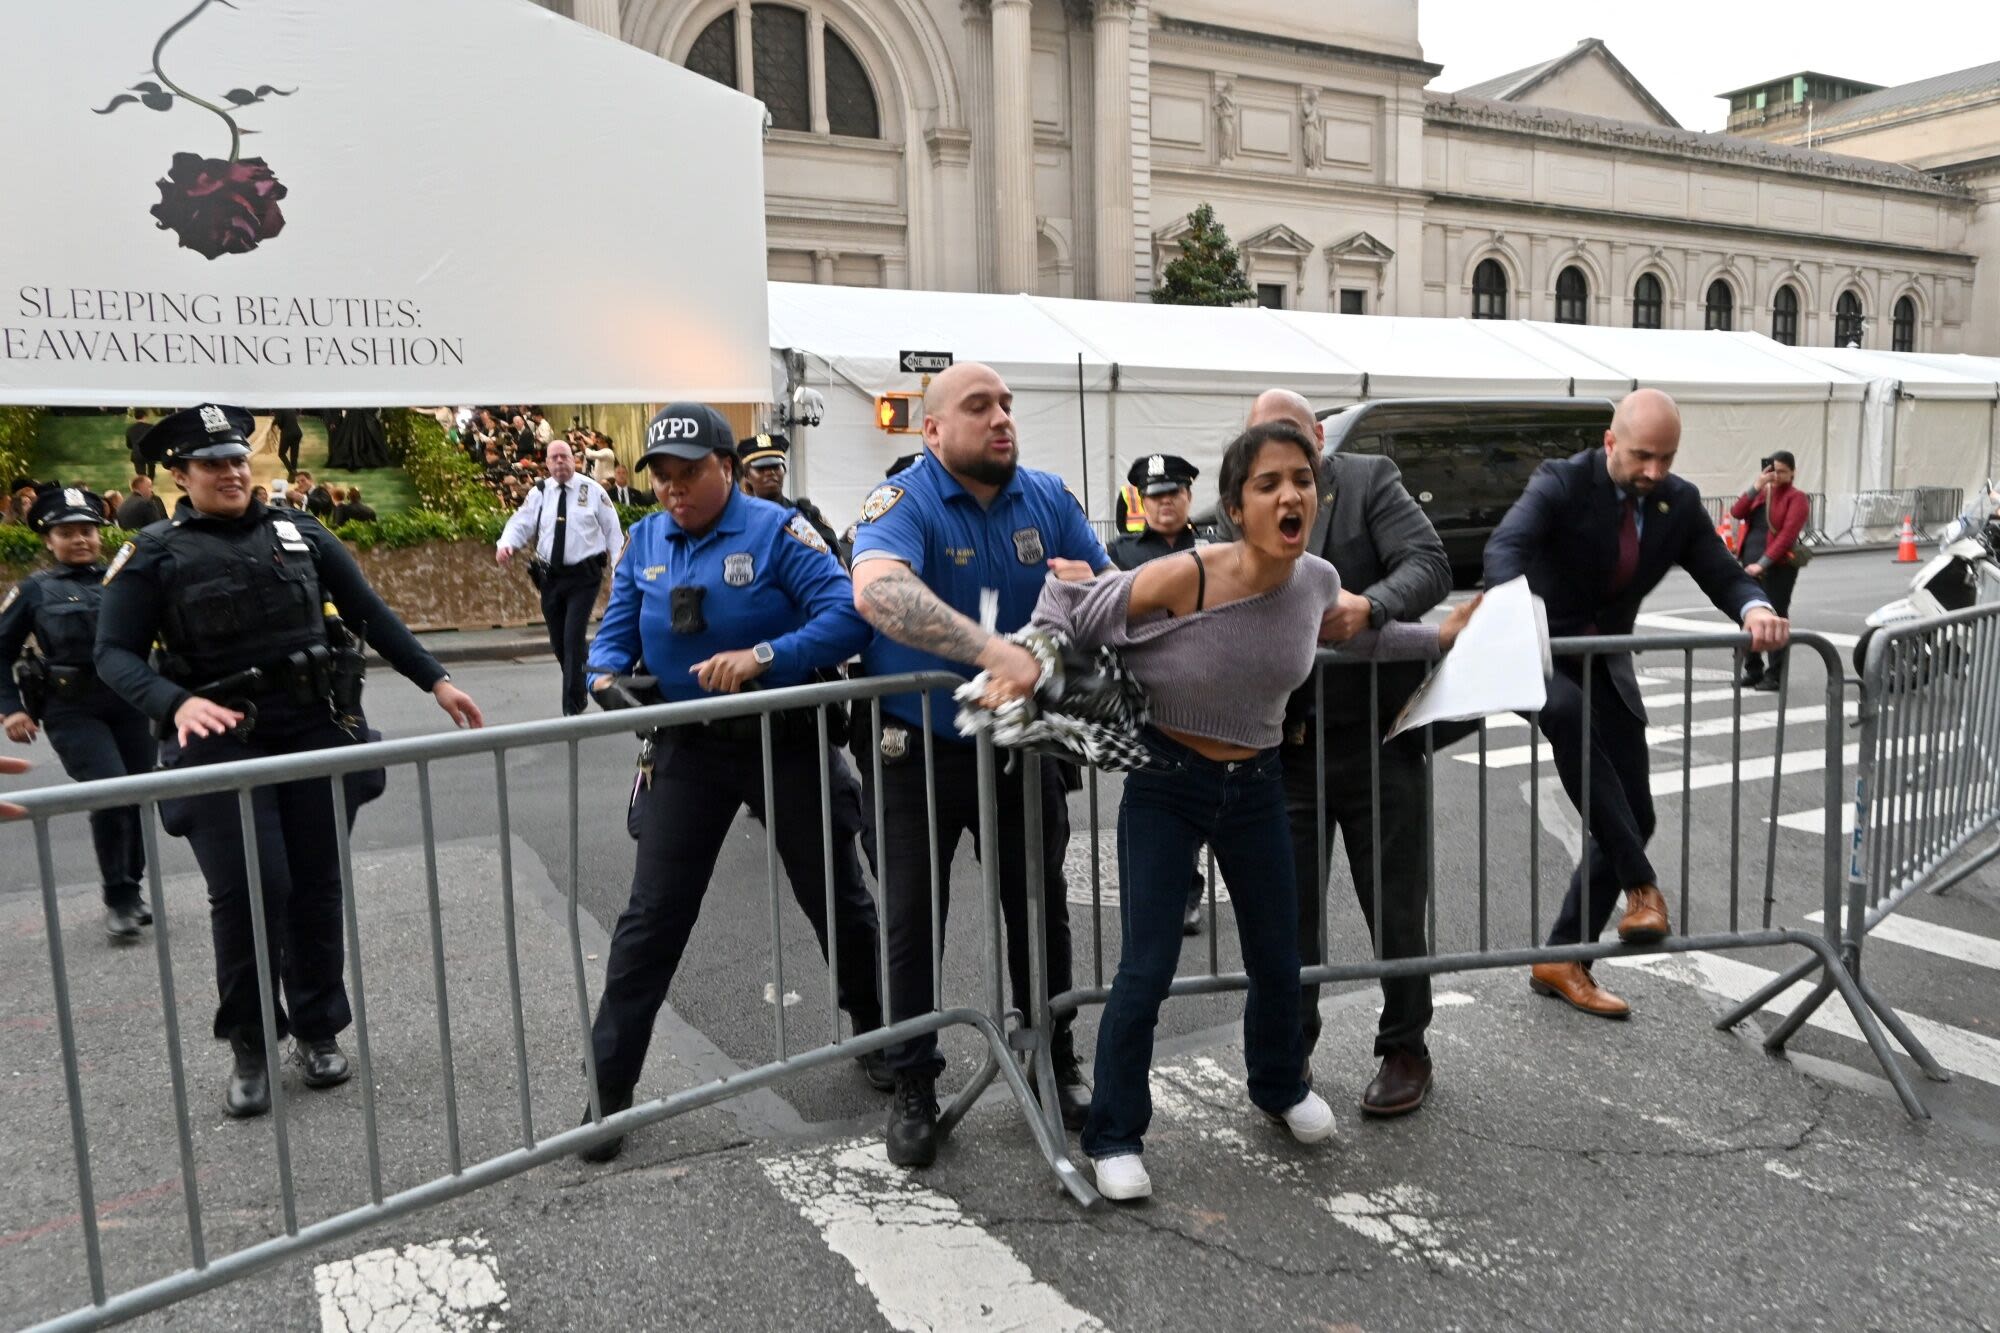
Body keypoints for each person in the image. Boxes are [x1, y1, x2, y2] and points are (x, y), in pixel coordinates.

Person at [1027, 420, 1475, 1200]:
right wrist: (1051, 678)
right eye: (1268, 483)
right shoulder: (1189, 573)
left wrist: (1439, 635)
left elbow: (1357, 640)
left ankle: (1277, 1084)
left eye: (1301, 478)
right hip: (1168, 780)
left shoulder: (1318, 580)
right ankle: (1114, 1132)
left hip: (1260, 781)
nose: (1289, 493)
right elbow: (1068, 605)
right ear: (1237, 505)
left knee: (1278, 956)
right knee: (1148, 964)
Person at [95, 403, 484, 1118]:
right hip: (219, 740)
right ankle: (249, 1040)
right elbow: (112, 653)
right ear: (179, 474)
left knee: (314, 883)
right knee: (250, 890)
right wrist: (173, 704)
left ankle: (317, 1025)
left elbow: (368, 611)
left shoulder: (301, 531)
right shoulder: (153, 553)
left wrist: (437, 678)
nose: (232, 470)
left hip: (311, 726)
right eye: (212, 463)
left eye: (239, 457)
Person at [577, 403, 887, 1162]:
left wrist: (765, 657)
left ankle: (884, 1034)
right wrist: (605, 678)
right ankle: (606, 1093)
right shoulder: (646, 539)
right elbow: (611, 639)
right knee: (650, 920)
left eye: (691, 473)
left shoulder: (777, 531)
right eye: (663, 477)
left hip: (784, 740)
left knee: (837, 897)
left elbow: (851, 612)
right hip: (687, 748)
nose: (675, 489)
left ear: (726, 467)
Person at [849, 360, 1108, 1169]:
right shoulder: (906, 499)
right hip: (918, 750)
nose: (1001, 418)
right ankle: (915, 1081)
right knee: (912, 919)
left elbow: (1112, 590)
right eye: (978, 406)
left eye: (1005, 404)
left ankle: (1052, 1054)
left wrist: (1093, 590)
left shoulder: (1049, 498)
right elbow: (878, 591)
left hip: (1022, 745)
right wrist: (997, 650)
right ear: (932, 429)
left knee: (1040, 908)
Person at [1484, 389, 1788, 1018]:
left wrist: (1756, 607)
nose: (1654, 471)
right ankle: (1641, 887)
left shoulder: (1678, 503)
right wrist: (1513, 612)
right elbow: (1504, 549)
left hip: (1606, 660)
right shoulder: (1562, 483)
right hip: (1537, 650)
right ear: (1611, 443)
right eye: (1643, 456)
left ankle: (1562, 958)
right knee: (1566, 716)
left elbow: (1721, 570)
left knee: (1635, 810)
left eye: (1667, 458)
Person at [1230, 389, 1455, 1117]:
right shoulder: (1244, 498)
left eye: (1295, 440)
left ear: (1320, 438)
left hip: (1376, 741)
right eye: (1267, 443)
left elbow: (1429, 563)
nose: (1286, 463)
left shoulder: (1366, 481)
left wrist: (1373, 605)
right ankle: (1287, 1052)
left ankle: (1404, 1046)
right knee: (1286, 916)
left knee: (1394, 904)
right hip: (1284, 750)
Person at [0, 485, 158, 942]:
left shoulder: (124, 578)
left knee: (139, 794)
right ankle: (120, 897)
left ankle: (133, 887)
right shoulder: (33, 590)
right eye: (66, 533)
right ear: (48, 540)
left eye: (87, 530)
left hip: (131, 703)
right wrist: (11, 710)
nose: (80, 540)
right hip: (73, 709)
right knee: (109, 790)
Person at [1106, 453, 1210, 935]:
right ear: (1141, 503)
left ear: (1189, 496)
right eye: (1155, 497)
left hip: (1210, 693)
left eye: (1173, 494)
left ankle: (1190, 890)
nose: (1164, 504)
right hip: (1148, 700)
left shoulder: (1217, 545)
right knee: (1158, 802)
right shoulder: (1119, 553)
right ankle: (1172, 892)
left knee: (1213, 797)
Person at [496, 439, 623, 716]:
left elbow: (613, 531)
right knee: (560, 643)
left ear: (574, 460)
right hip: (550, 578)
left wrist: (617, 570)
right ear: (547, 463)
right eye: (553, 458)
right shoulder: (540, 492)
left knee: (573, 638)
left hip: (584, 577)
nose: (559, 462)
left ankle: (572, 707)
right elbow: (522, 522)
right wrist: (506, 544)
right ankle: (587, 677)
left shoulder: (592, 490)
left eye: (564, 457)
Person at [1730, 450, 1808, 692]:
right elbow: (1736, 511)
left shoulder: (1797, 498)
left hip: (1778, 568)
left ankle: (1774, 674)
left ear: (1793, 472)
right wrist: (1757, 485)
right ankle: (1753, 670)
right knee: (1747, 617)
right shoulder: (1763, 493)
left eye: (1783, 471)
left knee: (1775, 618)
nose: (1777, 475)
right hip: (1749, 565)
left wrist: (1762, 563)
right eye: (1774, 470)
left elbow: (1786, 536)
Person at [737, 433, 839, 553]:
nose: (770, 472)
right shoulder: (737, 519)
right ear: (746, 475)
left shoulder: (807, 513)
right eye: (761, 468)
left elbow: (836, 560)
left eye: (775, 466)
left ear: (784, 470)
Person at [126, 411, 155, 482]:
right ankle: (150, 484)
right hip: (149, 452)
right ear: (145, 417)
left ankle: (143, 486)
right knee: (151, 470)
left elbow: (129, 445)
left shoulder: (130, 429)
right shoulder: (151, 427)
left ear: (135, 417)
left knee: (141, 474)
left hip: (137, 453)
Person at [274, 409, 303, 480]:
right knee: (294, 454)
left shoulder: (278, 409)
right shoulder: (289, 407)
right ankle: (294, 471)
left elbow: (279, 421)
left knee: (281, 454)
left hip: (287, 433)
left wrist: (273, 423)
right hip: (297, 432)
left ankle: (291, 471)